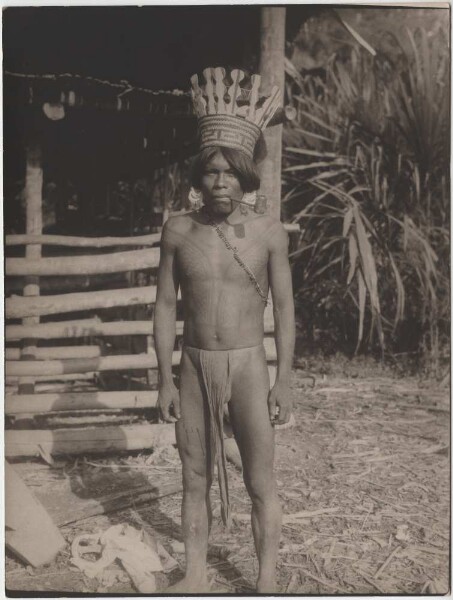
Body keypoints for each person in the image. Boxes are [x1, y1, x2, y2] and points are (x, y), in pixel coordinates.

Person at [154, 67, 295, 593]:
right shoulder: (178, 230)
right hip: (194, 364)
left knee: (260, 479)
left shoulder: (268, 233)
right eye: (211, 173)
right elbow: (166, 304)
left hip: (249, 366)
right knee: (193, 477)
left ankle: (265, 578)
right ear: (199, 176)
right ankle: (193, 574)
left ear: (245, 177)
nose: (220, 183)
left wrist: (285, 379)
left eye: (230, 173)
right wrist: (164, 379)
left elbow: (283, 308)